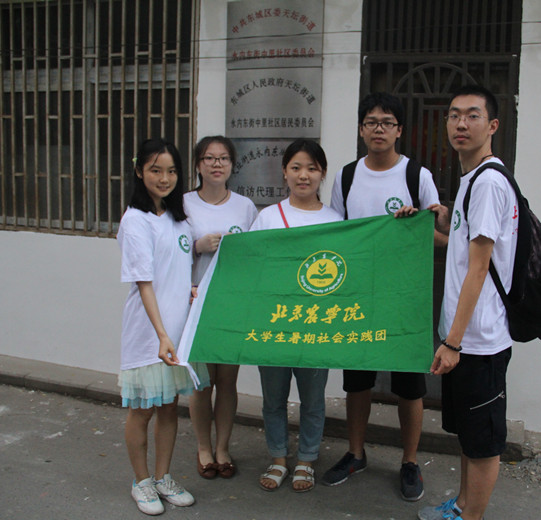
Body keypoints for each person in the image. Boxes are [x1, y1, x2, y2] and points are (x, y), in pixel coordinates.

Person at [323, 92, 444, 501]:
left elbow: (439, 236)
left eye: (387, 122)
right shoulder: (346, 177)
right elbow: (338, 235)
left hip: (404, 297)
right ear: (361, 130)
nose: (379, 129)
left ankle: (410, 461)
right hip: (357, 296)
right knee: (357, 381)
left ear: (399, 130)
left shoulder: (416, 176)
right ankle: (356, 453)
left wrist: (414, 226)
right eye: (371, 122)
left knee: (409, 385)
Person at [418, 85, 516, 520]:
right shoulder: (472, 180)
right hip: (466, 339)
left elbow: (479, 269)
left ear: (492, 125)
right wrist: (435, 223)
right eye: (454, 115)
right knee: (469, 437)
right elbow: (461, 250)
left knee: (482, 443)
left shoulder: (488, 182)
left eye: (473, 115)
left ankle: (470, 516)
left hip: (479, 341)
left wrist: (453, 342)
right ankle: (460, 506)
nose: (461, 123)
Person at [250, 139, 343, 493]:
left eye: (312, 168)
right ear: (285, 172)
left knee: (313, 399)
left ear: (322, 173)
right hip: (275, 324)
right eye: (296, 168)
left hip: (316, 326)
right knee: (273, 398)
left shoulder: (335, 221)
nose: (304, 175)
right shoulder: (267, 217)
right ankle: (278, 457)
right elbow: (252, 267)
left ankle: (306, 458)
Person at [116, 138, 196, 515]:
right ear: (139, 171)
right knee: (143, 409)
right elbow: (145, 282)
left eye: (172, 171)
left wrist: (190, 291)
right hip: (150, 332)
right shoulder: (136, 220)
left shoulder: (178, 217)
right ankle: (141, 481)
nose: (165, 178)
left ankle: (163, 477)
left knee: (169, 406)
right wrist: (162, 335)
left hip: (177, 331)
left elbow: (176, 269)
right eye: (155, 170)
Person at [185, 136, 257, 480]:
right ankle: (203, 448)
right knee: (202, 382)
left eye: (224, 158)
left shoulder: (245, 206)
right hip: (195, 304)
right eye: (209, 158)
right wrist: (196, 247)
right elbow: (170, 251)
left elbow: (256, 254)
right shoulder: (183, 204)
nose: (217, 164)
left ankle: (223, 448)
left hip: (232, 304)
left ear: (232, 164)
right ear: (198, 165)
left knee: (228, 380)